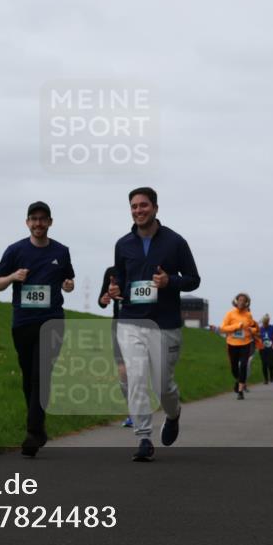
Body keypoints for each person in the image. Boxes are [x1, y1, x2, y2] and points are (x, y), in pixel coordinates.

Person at [107, 187, 200, 462]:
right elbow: (122, 279)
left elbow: (194, 279)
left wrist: (170, 281)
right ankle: (144, 438)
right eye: (134, 207)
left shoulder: (175, 242)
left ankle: (173, 414)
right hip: (131, 320)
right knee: (135, 379)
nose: (138, 211)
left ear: (156, 208)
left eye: (143, 206)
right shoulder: (123, 244)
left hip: (165, 324)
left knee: (163, 386)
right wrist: (115, 290)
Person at [0, 201, 75, 457]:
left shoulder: (61, 251)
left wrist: (68, 285)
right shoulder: (15, 251)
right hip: (23, 323)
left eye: (43, 219)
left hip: (52, 321)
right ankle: (38, 429)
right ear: (27, 222)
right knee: (29, 377)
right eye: (34, 219)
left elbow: (68, 279)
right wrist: (12, 278)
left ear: (50, 222)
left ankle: (32, 432)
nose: (38, 223)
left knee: (41, 374)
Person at [98, 265, 132, 427]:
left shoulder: (142, 270)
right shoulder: (111, 272)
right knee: (123, 371)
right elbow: (102, 300)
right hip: (118, 326)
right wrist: (103, 300)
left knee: (139, 371)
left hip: (141, 325)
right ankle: (133, 412)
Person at [219, 293, 259, 400]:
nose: (241, 302)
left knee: (243, 366)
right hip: (232, 343)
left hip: (245, 343)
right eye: (239, 300)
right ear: (236, 301)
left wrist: (252, 330)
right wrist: (237, 326)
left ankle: (240, 391)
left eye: (243, 300)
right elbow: (222, 328)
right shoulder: (230, 314)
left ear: (247, 303)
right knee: (234, 367)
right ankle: (238, 381)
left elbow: (254, 328)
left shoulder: (248, 315)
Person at [257, 314, 273, 384]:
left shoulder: (272, 328)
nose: (265, 324)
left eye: (266, 322)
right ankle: (266, 379)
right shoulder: (260, 329)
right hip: (262, 348)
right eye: (264, 323)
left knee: (270, 364)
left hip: (271, 348)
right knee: (264, 364)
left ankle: (271, 375)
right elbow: (257, 337)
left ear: (268, 321)